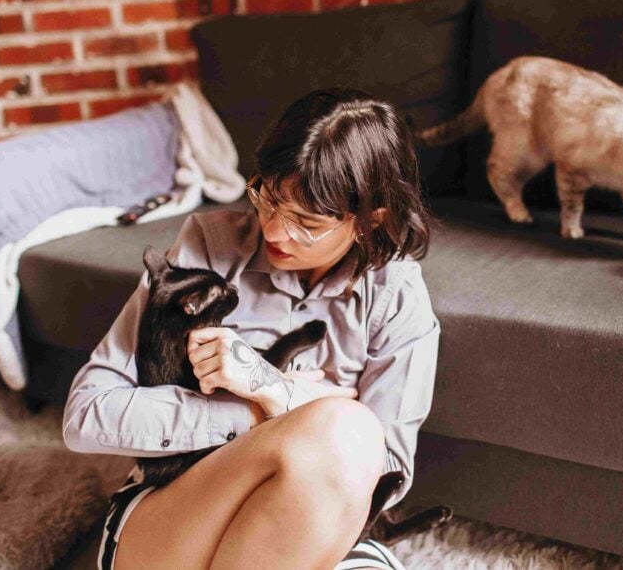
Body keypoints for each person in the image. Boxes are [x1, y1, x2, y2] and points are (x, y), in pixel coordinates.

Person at [63, 88, 441, 570]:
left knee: (354, 438)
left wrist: (275, 388)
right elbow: (86, 415)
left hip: (313, 532)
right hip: (173, 519)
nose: (275, 231)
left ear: (369, 222)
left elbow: (387, 470)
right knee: (348, 424)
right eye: (267, 198)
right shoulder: (209, 247)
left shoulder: (394, 292)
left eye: (306, 222)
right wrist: (261, 411)